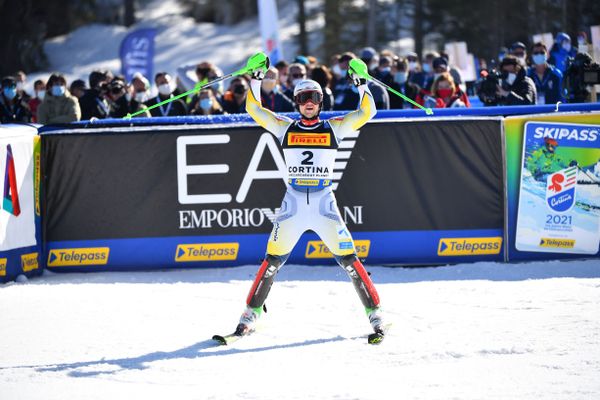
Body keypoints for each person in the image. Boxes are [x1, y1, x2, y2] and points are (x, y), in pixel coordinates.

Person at [233, 53, 384, 339]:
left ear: (321, 100)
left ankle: (375, 313)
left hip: (324, 203)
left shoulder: (334, 128)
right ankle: (250, 314)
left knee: (350, 260)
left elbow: (367, 113)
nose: (309, 102)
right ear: (297, 102)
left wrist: (362, 84)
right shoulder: (285, 127)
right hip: (292, 206)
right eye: (303, 98)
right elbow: (255, 110)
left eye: (313, 96)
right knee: (272, 261)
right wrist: (255, 79)